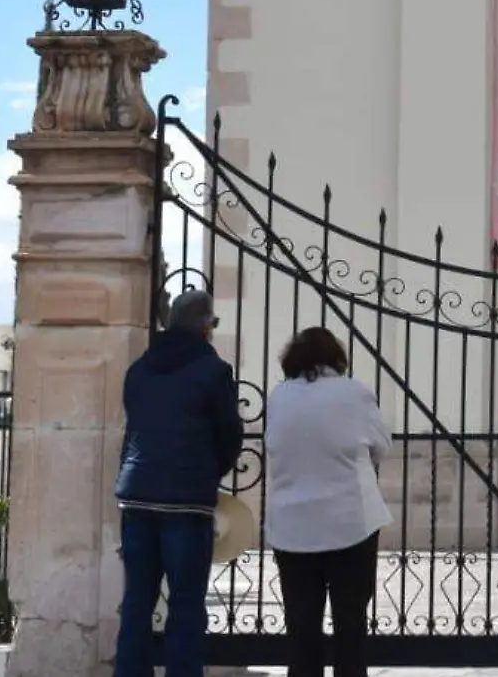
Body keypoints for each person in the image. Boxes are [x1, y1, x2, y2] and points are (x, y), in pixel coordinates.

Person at [113, 289, 242, 677]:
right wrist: (208, 472)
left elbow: (133, 428)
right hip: (187, 503)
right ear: (206, 326)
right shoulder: (213, 371)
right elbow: (229, 435)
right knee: (186, 604)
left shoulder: (139, 368)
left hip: (137, 497)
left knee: (137, 600)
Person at [265, 327, 393, 677]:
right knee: (350, 625)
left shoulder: (279, 396)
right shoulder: (355, 394)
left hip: (292, 528)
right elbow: (383, 446)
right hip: (350, 523)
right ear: (336, 357)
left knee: (301, 628)